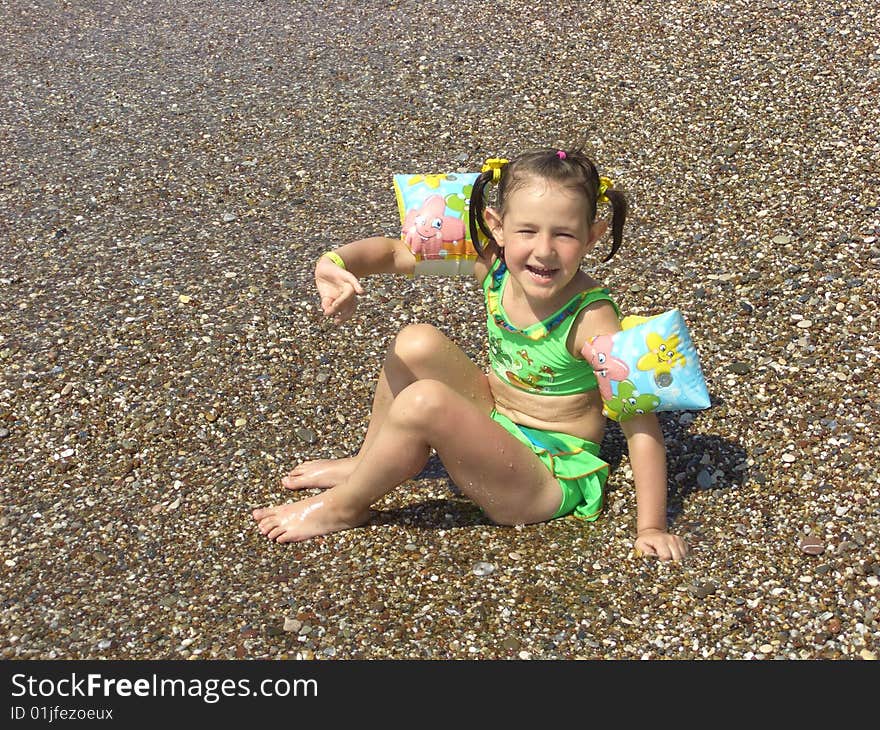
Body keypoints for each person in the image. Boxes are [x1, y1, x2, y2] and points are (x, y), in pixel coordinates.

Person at [253, 148, 688, 560]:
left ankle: (345, 506)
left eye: (564, 234)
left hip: (545, 480)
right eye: (527, 231)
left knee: (426, 402)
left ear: (593, 235)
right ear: (496, 225)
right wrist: (335, 264)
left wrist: (651, 526)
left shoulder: (591, 319)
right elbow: (396, 252)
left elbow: (640, 422)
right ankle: (369, 462)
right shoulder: (495, 267)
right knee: (414, 341)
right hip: (500, 421)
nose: (543, 249)